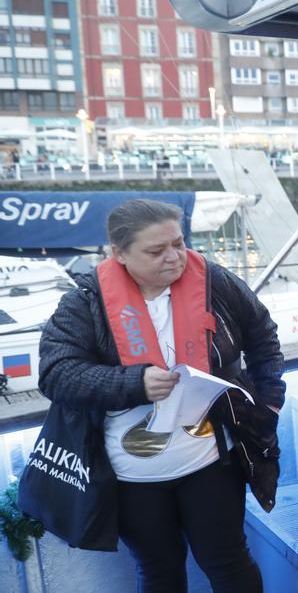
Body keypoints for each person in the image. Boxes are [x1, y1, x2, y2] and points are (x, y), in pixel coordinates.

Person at [38, 198, 285, 593]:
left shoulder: (215, 282)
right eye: (156, 250)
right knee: (158, 570)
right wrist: (133, 383)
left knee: (229, 561)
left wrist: (270, 403)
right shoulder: (84, 304)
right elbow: (55, 375)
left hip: (210, 462)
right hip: (131, 477)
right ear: (118, 253)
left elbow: (263, 338)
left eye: (179, 243)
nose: (174, 257)